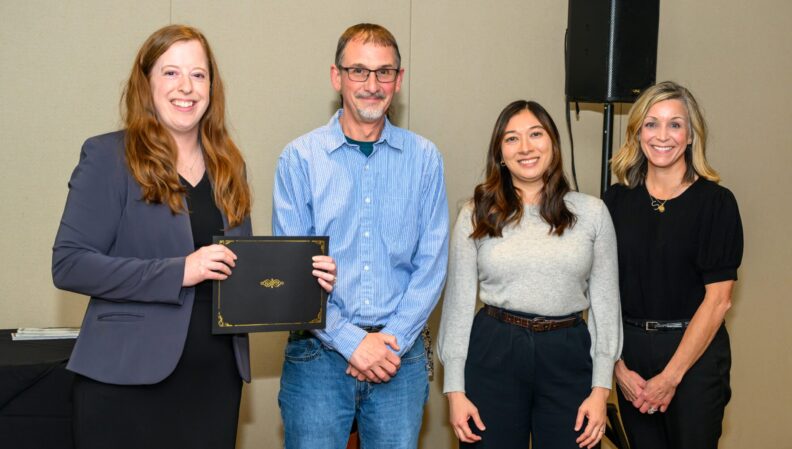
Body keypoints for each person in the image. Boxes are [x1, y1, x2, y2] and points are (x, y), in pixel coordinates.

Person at [51, 25, 336, 449]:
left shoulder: (228, 165)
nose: (186, 87)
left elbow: (242, 273)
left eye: (198, 75)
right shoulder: (109, 155)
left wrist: (304, 282)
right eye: (170, 73)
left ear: (211, 87)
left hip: (214, 380)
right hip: (125, 380)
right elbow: (69, 264)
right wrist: (180, 271)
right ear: (146, 82)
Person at [273, 23, 449, 449]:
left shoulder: (424, 159)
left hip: (398, 357)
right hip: (317, 355)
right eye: (359, 71)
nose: (372, 85)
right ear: (337, 77)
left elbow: (433, 264)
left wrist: (388, 344)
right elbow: (294, 274)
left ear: (398, 80)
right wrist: (353, 343)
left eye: (384, 72)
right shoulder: (299, 159)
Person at [438, 100, 622, 449]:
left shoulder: (593, 213)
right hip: (494, 351)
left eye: (535, 134)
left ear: (553, 142)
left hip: (568, 355)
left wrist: (601, 391)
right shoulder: (475, 213)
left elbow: (606, 309)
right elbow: (458, 308)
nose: (525, 147)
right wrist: (455, 391)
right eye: (511, 139)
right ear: (500, 154)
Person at [603, 81, 743, 449]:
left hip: (693, 358)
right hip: (629, 358)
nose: (662, 135)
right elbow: (599, 292)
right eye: (651, 124)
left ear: (691, 135)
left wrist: (671, 376)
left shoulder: (716, 203)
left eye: (675, 124)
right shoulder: (615, 202)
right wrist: (616, 366)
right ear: (636, 133)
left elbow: (718, 301)